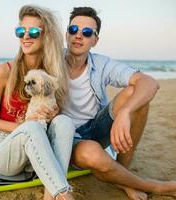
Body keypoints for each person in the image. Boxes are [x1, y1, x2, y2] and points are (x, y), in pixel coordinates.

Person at [51, 7, 176, 200]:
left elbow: (149, 83)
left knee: (136, 94)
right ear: (66, 33)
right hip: (67, 137)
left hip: (96, 128)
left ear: (95, 40)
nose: (78, 36)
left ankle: (123, 173)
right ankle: (157, 187)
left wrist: (125, 112)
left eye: (86, 33)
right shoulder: (51, 60)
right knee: (92, 154)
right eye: (74, 30)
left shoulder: (101, 64)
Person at [0, 5, 75, 200]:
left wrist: (54, 113)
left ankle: (50, 195)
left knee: (65, 121)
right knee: (32, 127)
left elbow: (52, 123)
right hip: (5, 150)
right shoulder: (4, 71)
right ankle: (64, 195)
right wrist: (22, 126)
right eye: (21, 31)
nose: (26, 36)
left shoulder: (49, 75)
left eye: (33, 31)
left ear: (46, 36)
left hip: (38, 151)